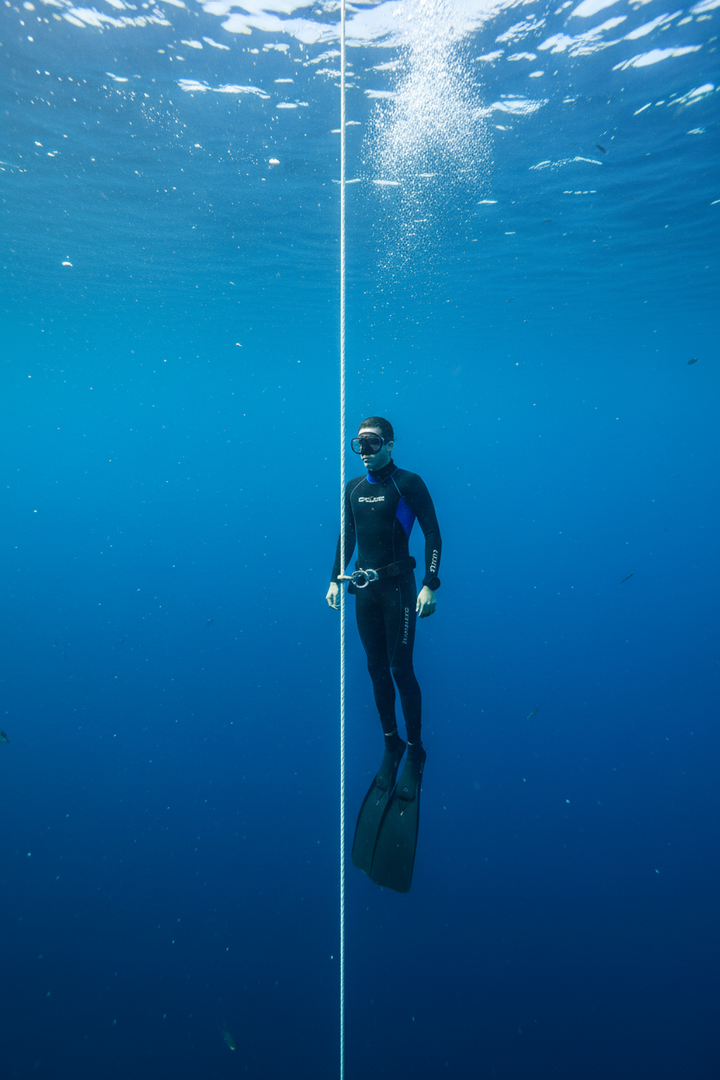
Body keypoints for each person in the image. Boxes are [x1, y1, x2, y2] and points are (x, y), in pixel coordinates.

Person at [326, 416, 441, 892]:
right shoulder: (353, 488)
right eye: (359, 444)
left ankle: (415, 750)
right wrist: (335, 575)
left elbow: (433, 536)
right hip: (364, 593)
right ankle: (391, 742)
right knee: (374, 670)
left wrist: (431, 584)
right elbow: (348, 536)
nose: (365, 451)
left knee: (399, 667)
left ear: (390, 444)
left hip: (398, 590)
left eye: (372, 443)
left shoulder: (407, 483)